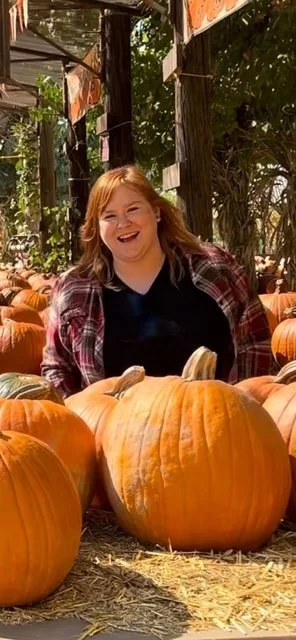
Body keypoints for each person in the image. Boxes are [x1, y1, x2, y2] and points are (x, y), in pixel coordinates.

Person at [41, 165, 273, 398]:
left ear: (157, 212)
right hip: (115, 430)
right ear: (97, 227)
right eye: (109, 215)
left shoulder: (215, 268)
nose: (123, 223)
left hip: (214, 422)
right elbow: (57, 367)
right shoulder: (74, 289)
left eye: (133, 209)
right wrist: (77, 421)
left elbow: (253, 341)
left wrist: (246, 407)